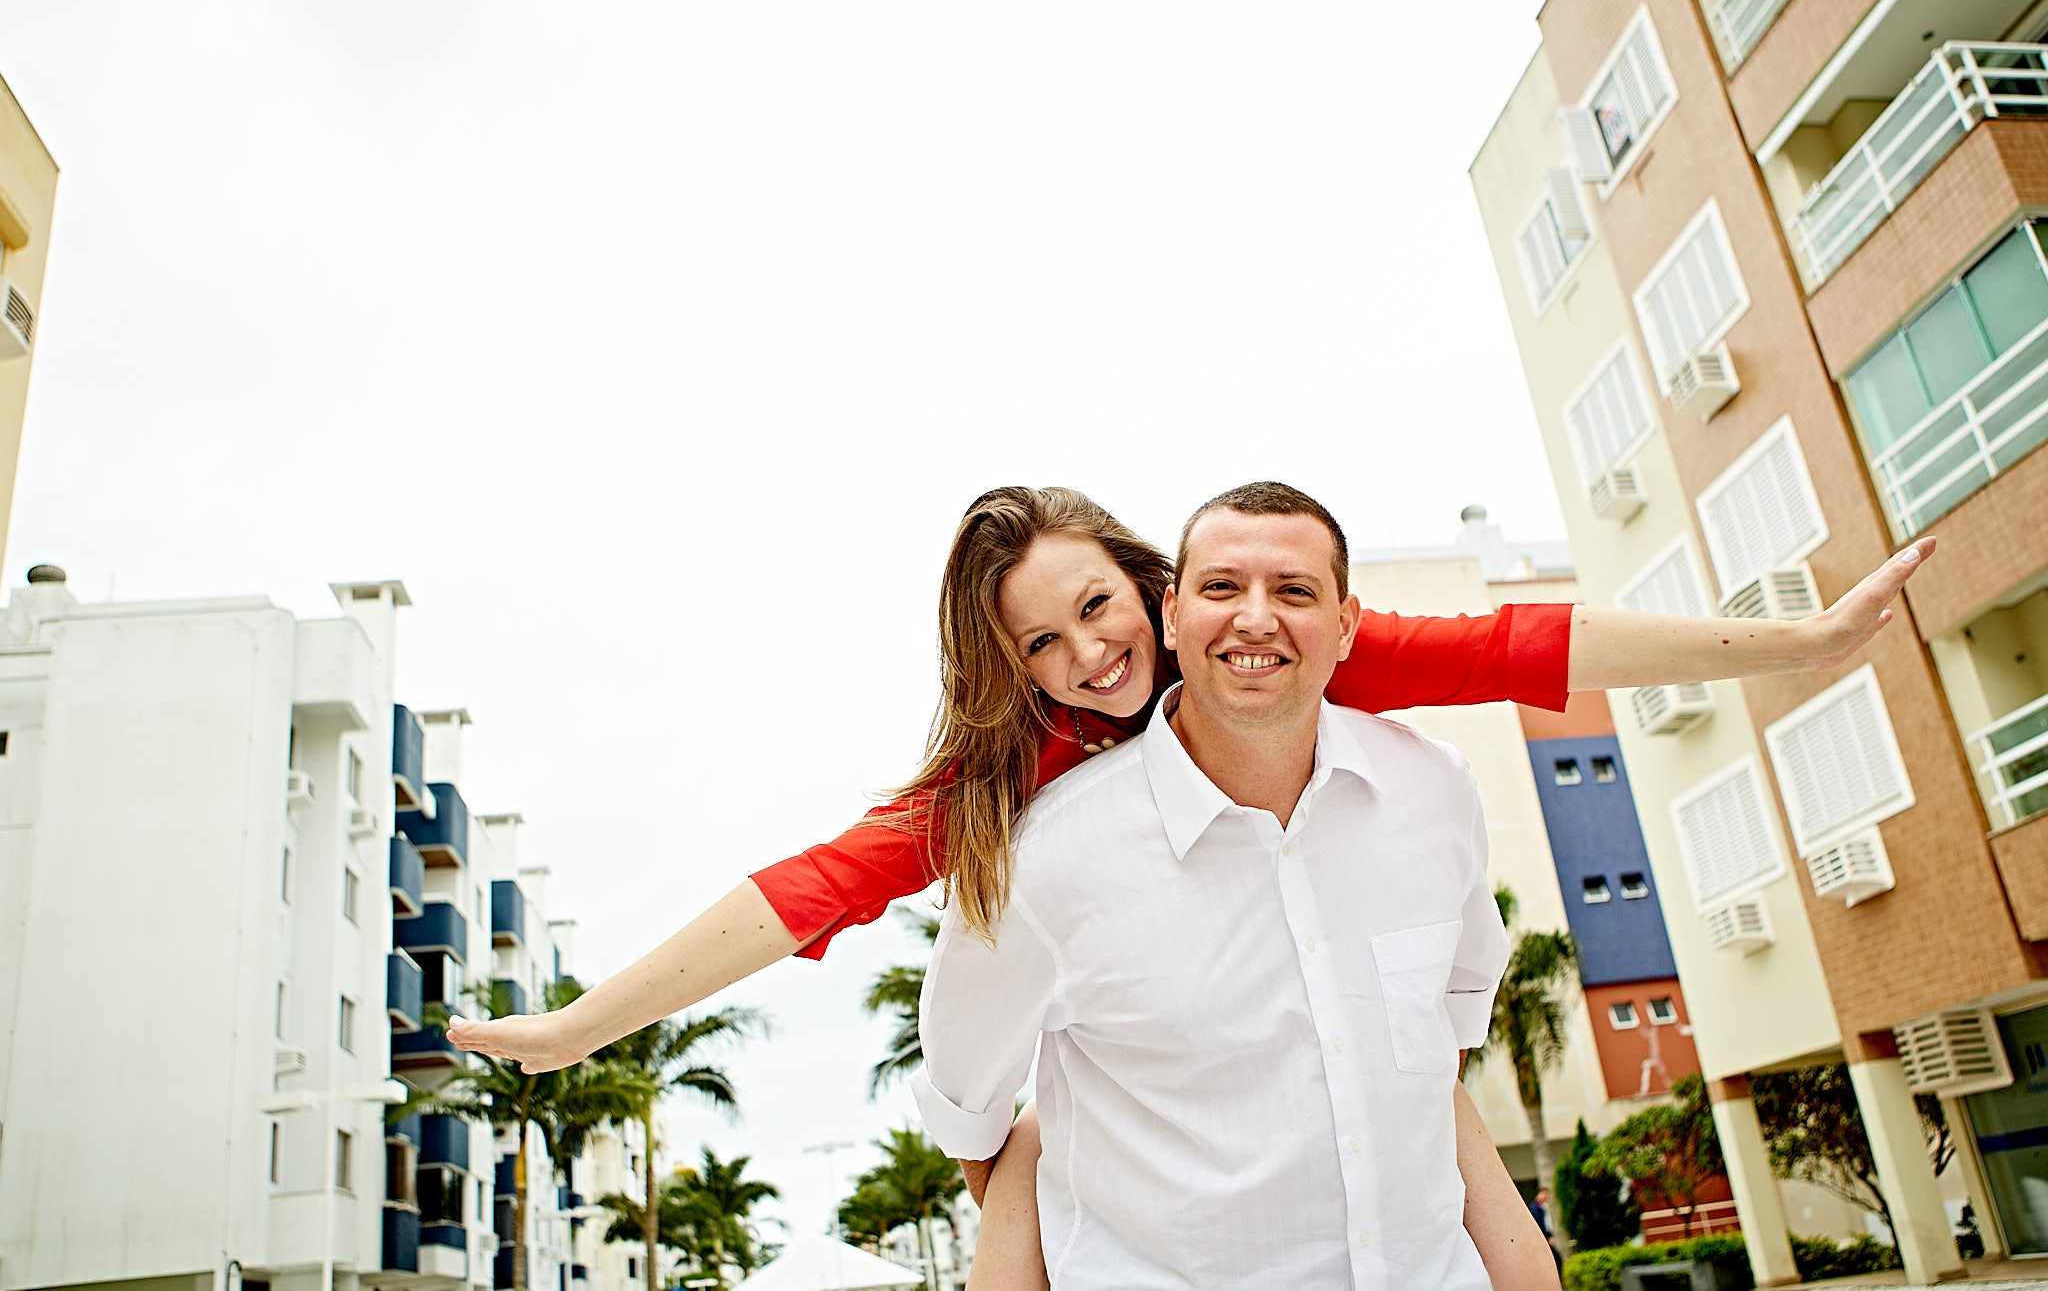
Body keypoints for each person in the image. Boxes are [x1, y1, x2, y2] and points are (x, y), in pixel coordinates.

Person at [450, 485, 1931, 1289]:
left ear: (1150, 587)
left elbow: (1530, 645)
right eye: (1040, 645)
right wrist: (581, 1027)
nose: (1088, 658)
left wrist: (1796, 647)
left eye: (1096, 607)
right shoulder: (1015, 793)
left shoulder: (1285, 650)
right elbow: (797, 895)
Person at [914, 482, 1557, 1286]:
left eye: (1294, 590)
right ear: (1173, 615)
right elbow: (969, 1114)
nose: (1257, 617)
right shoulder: (1040, 862)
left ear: (1347, 625)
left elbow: (1439, 1052)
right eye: (1222, 587)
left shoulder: (1435, 791)